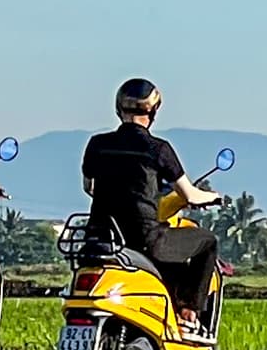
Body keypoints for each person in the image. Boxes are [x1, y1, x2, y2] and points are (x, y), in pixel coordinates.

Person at [82, 78, 225, 334]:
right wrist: (213, 196)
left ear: (118, 108)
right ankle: (188, 313)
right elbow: (190, 195)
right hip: (143, 238)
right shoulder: (158, 149)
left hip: (102, 236)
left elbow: (89, 188)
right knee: (208, 242)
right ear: (154, 111)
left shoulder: (97, 144)